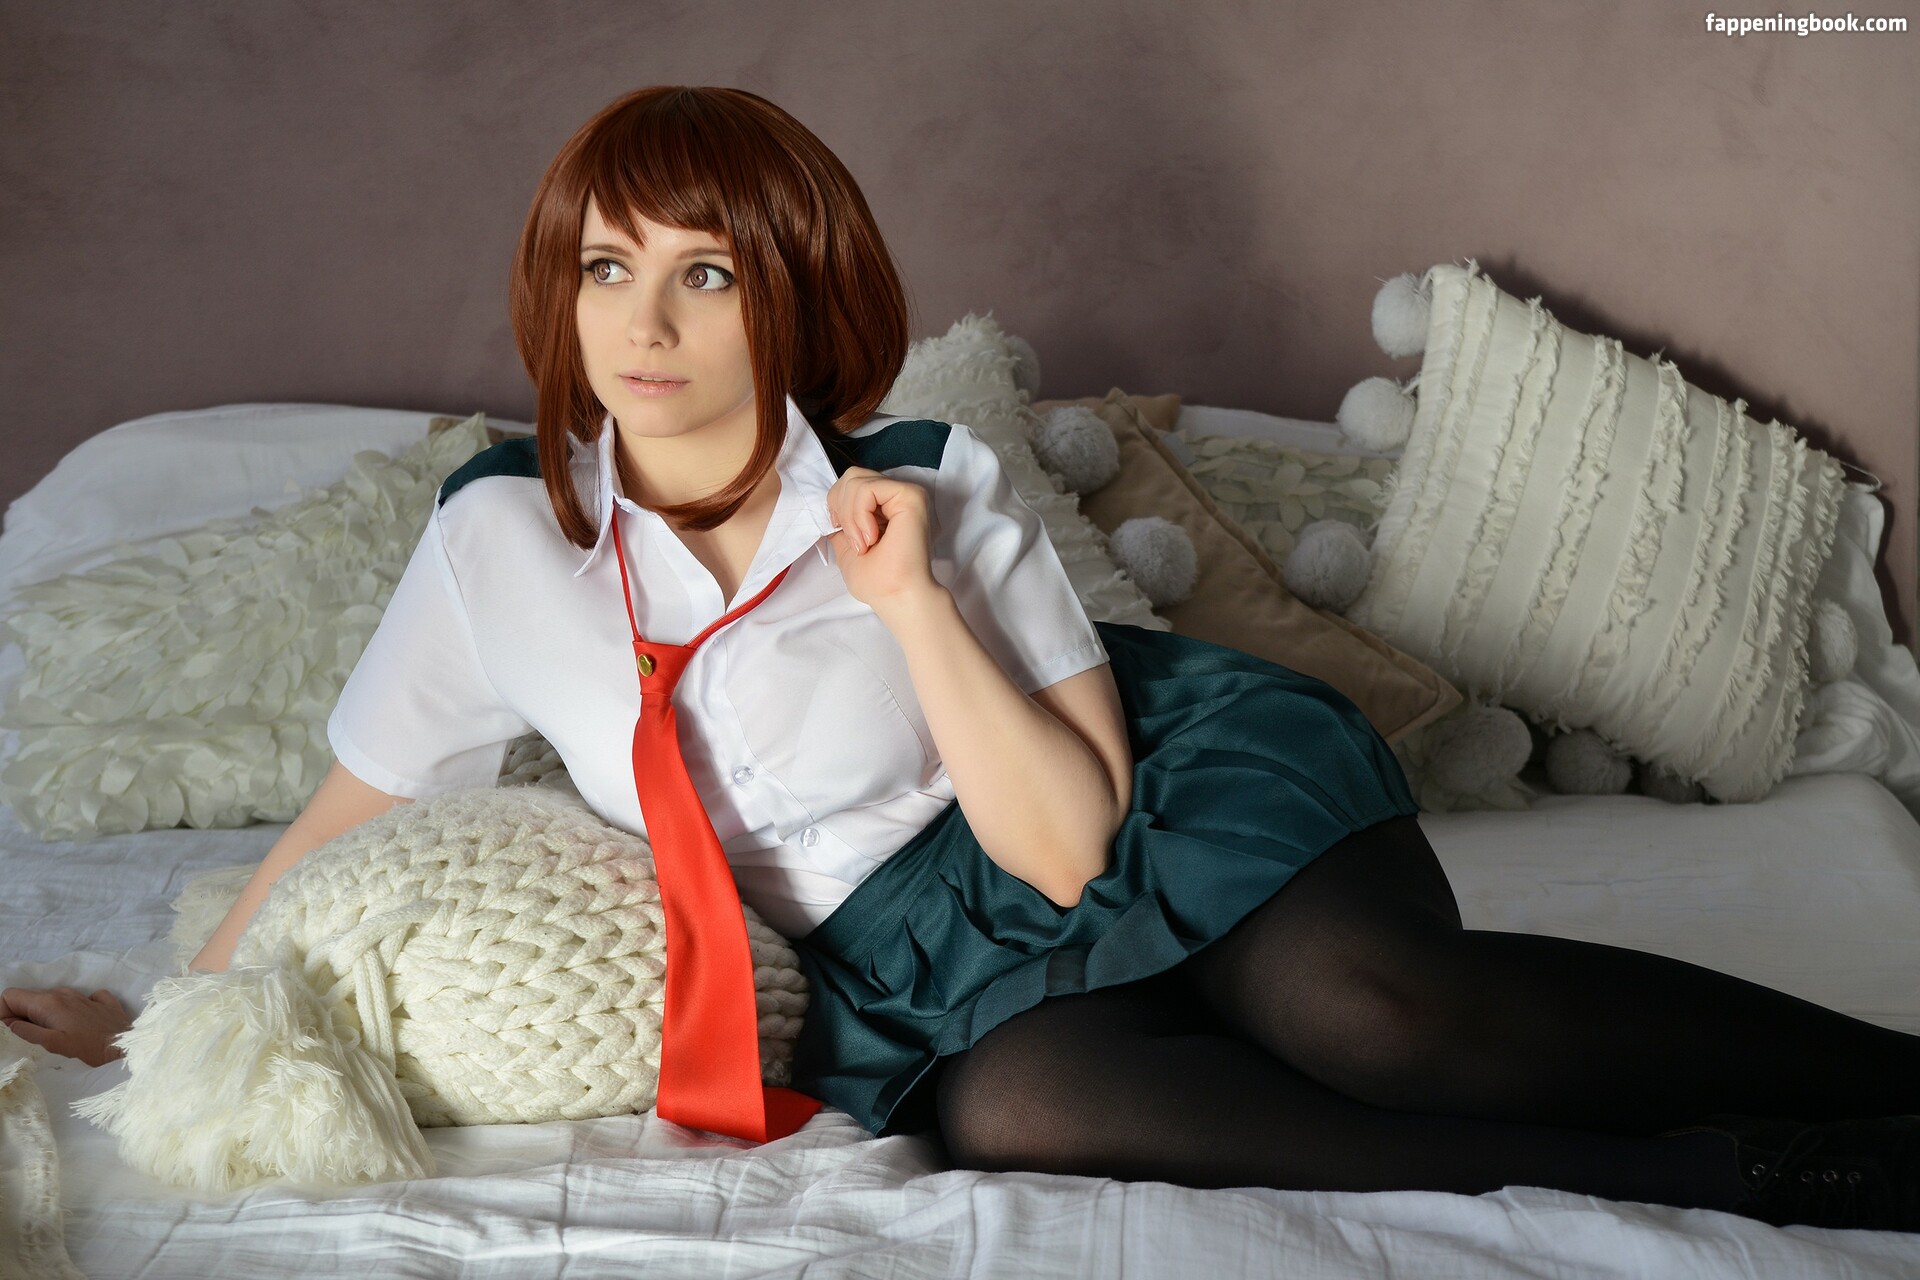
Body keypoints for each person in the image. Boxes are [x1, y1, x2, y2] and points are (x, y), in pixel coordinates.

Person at [7, 84, 1920, 1232]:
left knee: (1370, 1018)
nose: (644, 325)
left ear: (790, 298)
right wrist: (172, 1010)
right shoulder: (503, 540)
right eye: (606, 268)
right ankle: (1731, 1180)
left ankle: (1890, 1088)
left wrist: (913, 601)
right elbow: (356, 801)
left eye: (705, 273)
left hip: (1130, 796)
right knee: (1029, 1116)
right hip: (896, 942)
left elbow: (1068, 843)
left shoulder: (928, 483)